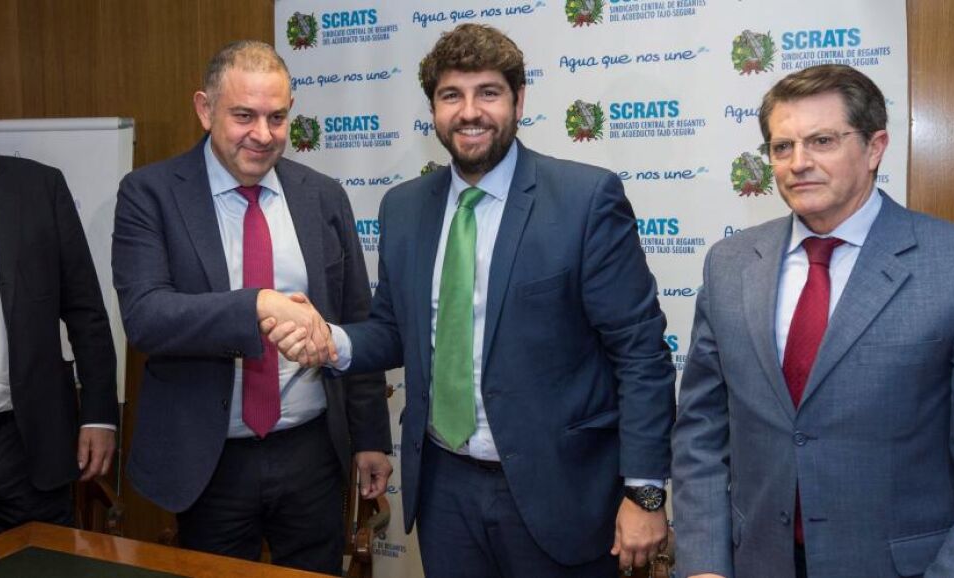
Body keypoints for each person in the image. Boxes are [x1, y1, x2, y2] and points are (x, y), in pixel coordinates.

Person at [265, 24, 677, 577]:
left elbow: (641, 353)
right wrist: (329, 341)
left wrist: (644, 492)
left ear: (518, 101)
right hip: (445, 492)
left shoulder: (585, 200)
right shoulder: (404, 208)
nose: (469, 112)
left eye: (488, 92)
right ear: (433, 110)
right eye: (451, 95)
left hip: (560, 491)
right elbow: (394, 328)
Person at [671, 64, 954, 578]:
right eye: (782, 147)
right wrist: (704, 564)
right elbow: (701, 431)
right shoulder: (730, 263)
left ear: (874, 148)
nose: (798, 163)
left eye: (822, 141)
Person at [111, 41, 392, 574]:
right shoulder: (150, 194)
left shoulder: (323, 196)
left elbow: (356, 318)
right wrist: (257, 306)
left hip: (312, 453)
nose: (263, 135)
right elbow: (146, 316)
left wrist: (372, 438)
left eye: (277, 117)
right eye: (244, 116)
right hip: (209, 459)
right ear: (204, 108)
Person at [0, 99, 118, 537]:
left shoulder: (38, 187)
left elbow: (86, 310)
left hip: (23, 446)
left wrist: (98, 414)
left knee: (42, 564)